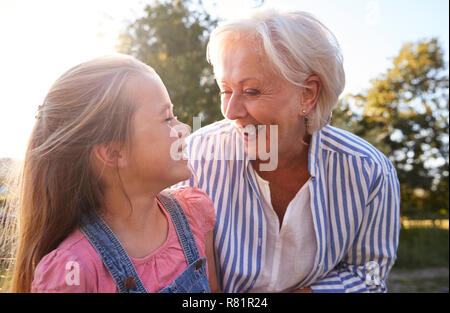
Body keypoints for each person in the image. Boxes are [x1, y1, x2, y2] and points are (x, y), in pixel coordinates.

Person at [176, 9, 400, 293]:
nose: (231, 111)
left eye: (252, 91)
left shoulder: (369, 171)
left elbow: (368, 273)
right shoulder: (197, 157)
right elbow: (183, 273)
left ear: (307, 94)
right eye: (225, 90)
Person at [10, 55, 219, 293]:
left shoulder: (194, 214)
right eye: (167, 118)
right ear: (112, 152)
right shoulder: (74, 272)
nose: (185, 128)